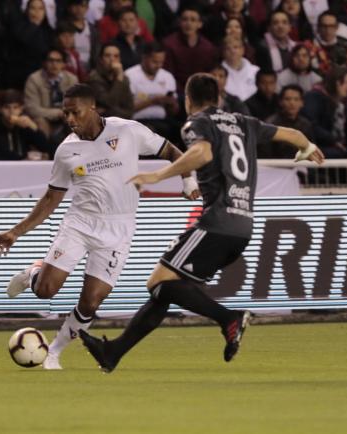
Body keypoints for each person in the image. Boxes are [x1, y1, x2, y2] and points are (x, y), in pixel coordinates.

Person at [78, 73, 324, 373]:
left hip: (216, 222)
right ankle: (113, 352)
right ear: (218, 98)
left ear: (187, 99)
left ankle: (229, 318)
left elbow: (202, 152)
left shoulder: (197, 123)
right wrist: (307, 148)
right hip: (242, 227)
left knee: (158, 282)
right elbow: (294, 135)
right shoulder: (245, 122)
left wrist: (157, 175)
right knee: (168, 289)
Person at [0, 83, 200, 370]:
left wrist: (188, 180)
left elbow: (173, 151)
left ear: (92, 108)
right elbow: (52, 198)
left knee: (91, 302)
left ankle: (54, 352)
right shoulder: (66, 151)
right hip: (80, 223)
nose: (69, 119)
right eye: (65, 113)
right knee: (46, 291)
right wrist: (16, 231)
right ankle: (34, 273)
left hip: (119, 228)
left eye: (75, 112)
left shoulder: (127, 131)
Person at [125, 42, 179, 145]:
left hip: (163, 120)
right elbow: (127, 108)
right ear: (144, 58)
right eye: (155, 62)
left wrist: (171, 104)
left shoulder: (167, 76)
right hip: (138, 120)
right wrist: (153, 101)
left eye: (161, 62)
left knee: (180, 129)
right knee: (152, 131)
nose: (158, 66)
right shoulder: (130, 75)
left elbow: (174, 111)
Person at [24, 48, 78, 147]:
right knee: (40, 121)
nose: (54, 64)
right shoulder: (34, 79)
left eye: (58, 61)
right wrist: (58, 113)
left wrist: (66, 114)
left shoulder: (72, 79)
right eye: (51, 60)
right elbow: (31, 109)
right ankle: (45, 152)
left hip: (65, 118)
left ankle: (77, 151)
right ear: (44, 63)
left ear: (64, 64)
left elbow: (76, 106)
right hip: (44, 118)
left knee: (75, 119)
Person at [0, 89, 52, 160]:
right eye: (7, 107)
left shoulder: (24, 126)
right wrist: (22, 159)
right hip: (1, 165)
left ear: (21, 108)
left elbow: (46, 148)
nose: (11, 112)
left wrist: (34, 127)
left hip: (23, 165)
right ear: (0, 109)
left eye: (15, 107)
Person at [86, 42, 133, 119]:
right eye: (107, 56)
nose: (112, 59)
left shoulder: (124, 78)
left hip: (121, 122)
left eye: (116, 56)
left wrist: (108, 110)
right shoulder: (94, 78)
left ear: (120, 59)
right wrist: (119, 78)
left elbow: (130, 111)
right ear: (101, 59)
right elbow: (110, 102)